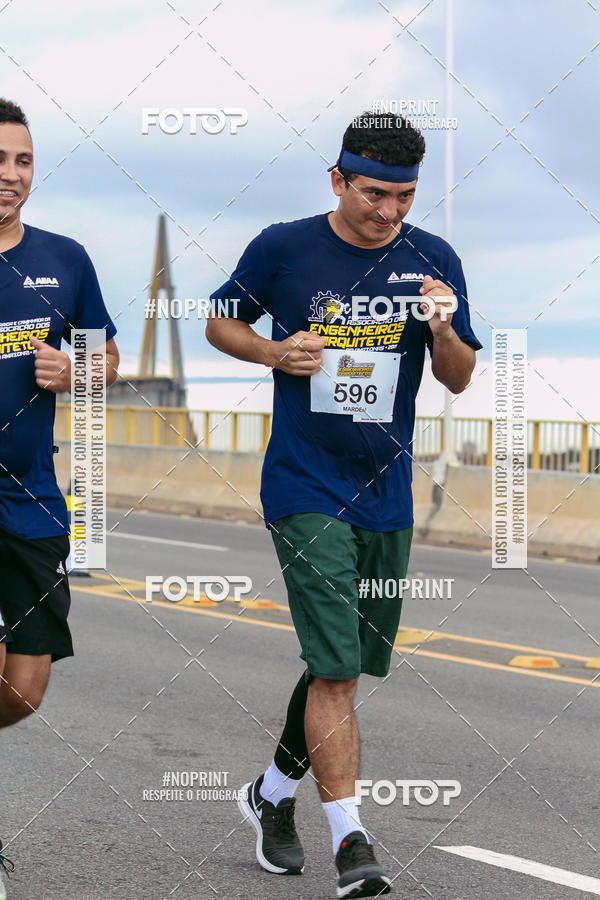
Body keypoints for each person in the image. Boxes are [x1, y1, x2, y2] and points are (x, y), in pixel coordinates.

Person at [207, 111, 482, 898]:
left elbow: (458, 376)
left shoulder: (435, 259)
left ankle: (269, 793)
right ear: (337, 179)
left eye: (403, 195)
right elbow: (221, 317)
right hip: (303, 487)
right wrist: (272, 350)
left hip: (384, 495)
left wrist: (444, 327)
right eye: (373, 193)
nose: (388, 211)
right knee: (333, 665)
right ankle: (352, 843)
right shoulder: (284, 248)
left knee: (347, 667)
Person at [0, 98, 119, 897]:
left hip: (30, 500)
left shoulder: (65, 260)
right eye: (1, 162)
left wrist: (74, 371)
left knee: (26, 685)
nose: (12, 178)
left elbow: (107, 358)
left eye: (24, 161)